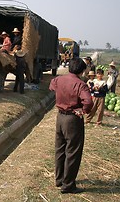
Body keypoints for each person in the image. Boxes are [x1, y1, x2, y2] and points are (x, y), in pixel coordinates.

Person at [49, 57, 93, 194]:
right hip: (73, 119)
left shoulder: (58, 79)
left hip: (60, 117)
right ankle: (68, 185)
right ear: (82, 70)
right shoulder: (81, 84)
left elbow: (51, 86)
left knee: (60, 148)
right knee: (72, 151)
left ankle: (59, 179)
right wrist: (83, 110)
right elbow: (89, 102)